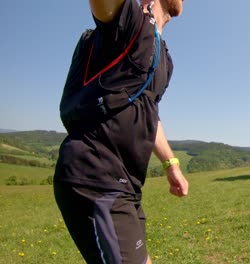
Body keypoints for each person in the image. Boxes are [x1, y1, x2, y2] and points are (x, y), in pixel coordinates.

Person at [53, 0, 189, 263]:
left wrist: (172, 165)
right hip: (95, 176)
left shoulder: (164, 56)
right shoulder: (127, 21)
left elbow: (148, 112)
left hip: (126, 184)